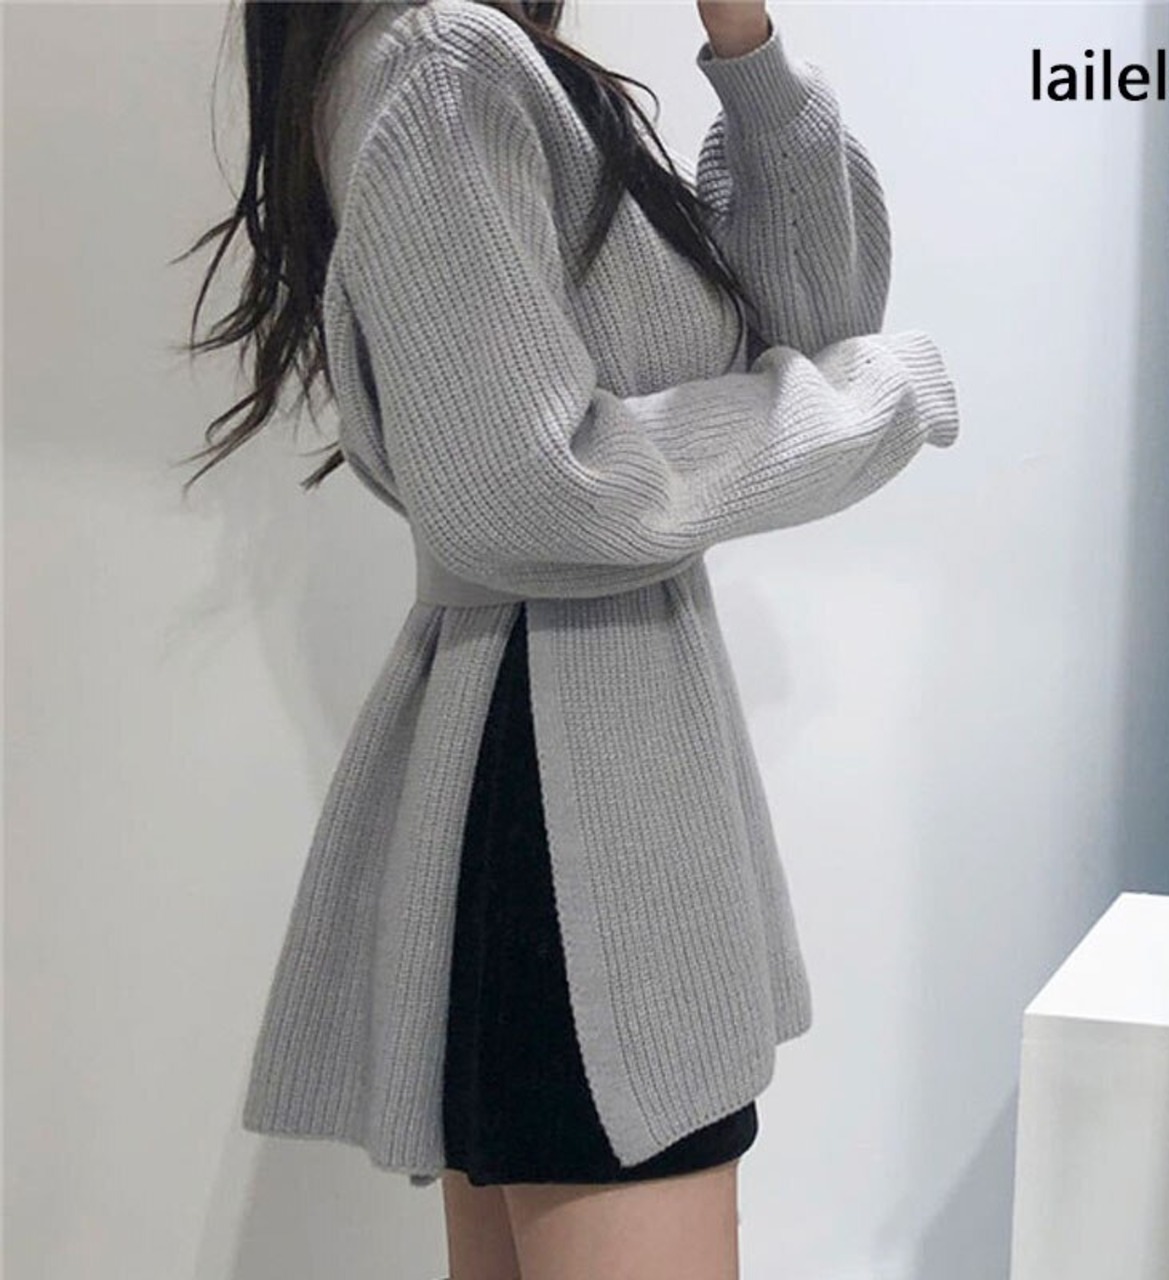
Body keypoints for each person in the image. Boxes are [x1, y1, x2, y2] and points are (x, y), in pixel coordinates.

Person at [176, 1, 959, 1276]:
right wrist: (871, 407)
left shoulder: (487, 67)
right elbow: (523, 491)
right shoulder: (444, 61)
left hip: (586, 777)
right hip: (573, 811)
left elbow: (817, 318)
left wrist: (746, 44)